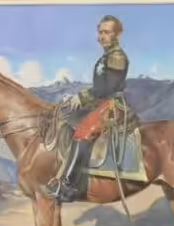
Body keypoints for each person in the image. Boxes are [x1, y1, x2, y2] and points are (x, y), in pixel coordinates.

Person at [43, 14, 130, 203]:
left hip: (112, 105)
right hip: (101, 103)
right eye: (100, 32)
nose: (102, 36)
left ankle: (68, 185)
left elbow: (108, 88)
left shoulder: (116, 57)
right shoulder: (106, 56)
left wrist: (81, 97)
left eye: (107, 32)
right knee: (65, 116)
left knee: (83, 131)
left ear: (117, 34)